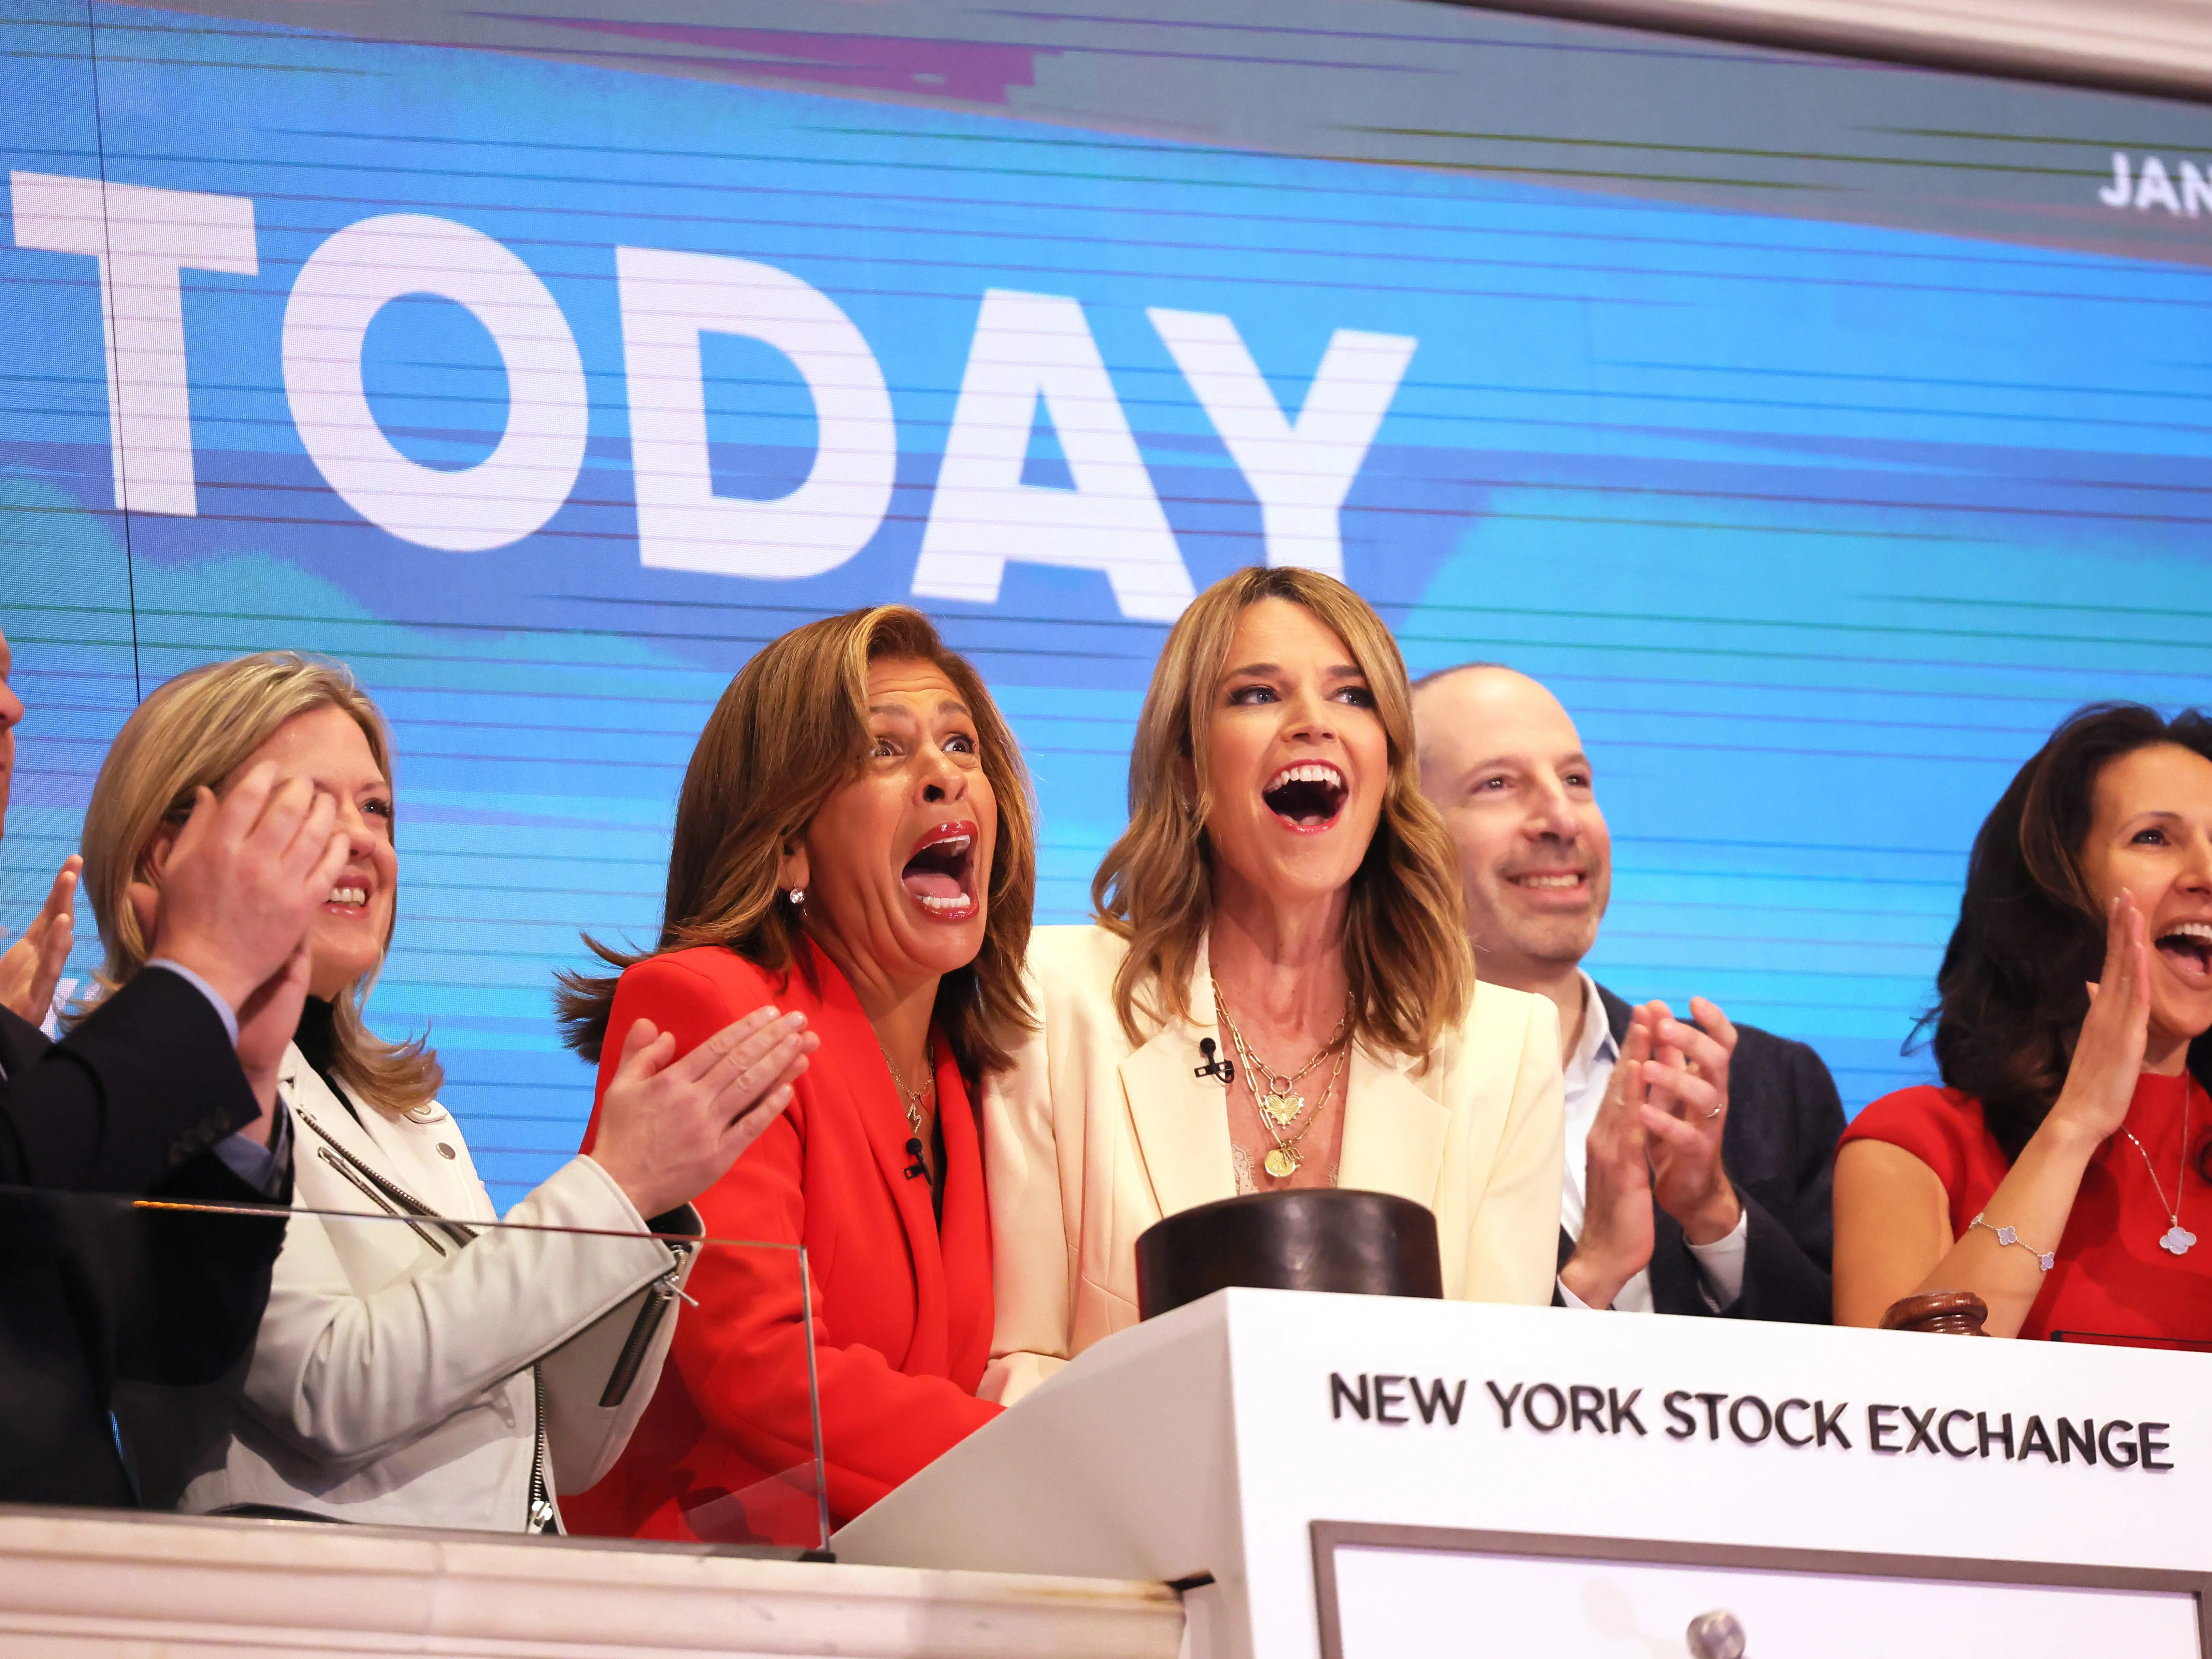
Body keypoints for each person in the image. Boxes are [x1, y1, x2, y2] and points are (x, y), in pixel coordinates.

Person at [76, 651, 810, 1528]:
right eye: (306, 803)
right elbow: (331, 1390)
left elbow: (562, 1446)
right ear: (169, 851)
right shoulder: (144, 1090)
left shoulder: (412, 1114)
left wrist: (641, 1212)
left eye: (375, 807)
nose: (361, 839)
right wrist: (609, 1189)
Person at [985, 568, 1564, 1404]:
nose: (1312, 723)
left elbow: (1494, 1397)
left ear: (1388, 766)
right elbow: (1019, 1366)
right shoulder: (1049, 999)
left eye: (1352, 696)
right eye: (1257, 694)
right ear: (1187, 764)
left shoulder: (1506, 1050)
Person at [556, 606, 1034, 1534]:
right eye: (885, 750)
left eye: (960, 744)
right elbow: (762, 1369)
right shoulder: (708, 1004)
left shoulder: (978, 1075)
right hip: (698, 1581)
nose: (944, 774)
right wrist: (1048, 1463)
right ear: (787, 844)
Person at [0, 621, 338, 1507]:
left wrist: (247, 1087)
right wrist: (199, 981)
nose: (12, 707)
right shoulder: (97, 1065)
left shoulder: (30, 1055)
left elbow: (173, 1358)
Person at [1411, 664, 1843, 1322]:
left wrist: (1714, 1217)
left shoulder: (1770, 1087)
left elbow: (1861, 1365)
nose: (1561, 818)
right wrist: (1591, 1274)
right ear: (1406, 836)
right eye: (1497, 784)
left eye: (1575, 780)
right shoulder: (1365, 1103)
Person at [1836, 703, 2212, 1345]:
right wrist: (2075, 1125)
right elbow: (1902, 1398)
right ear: (2056, 890)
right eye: (2153, 837)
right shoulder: (1918, 1146)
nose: (2206, 874)